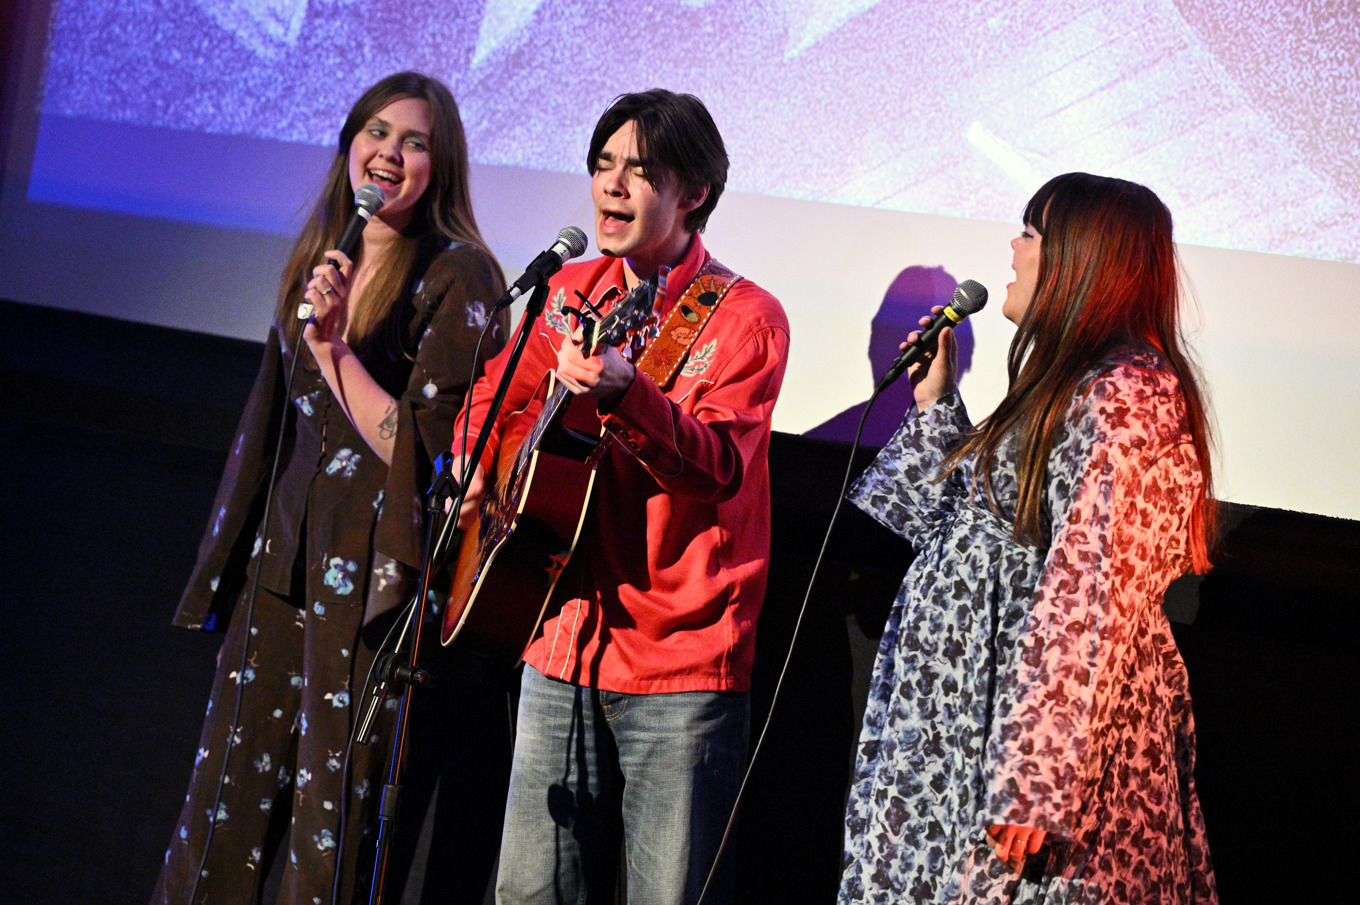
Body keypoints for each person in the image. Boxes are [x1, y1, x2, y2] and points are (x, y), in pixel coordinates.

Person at [153, 72, 511, 905]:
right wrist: (231, 569)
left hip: (374, 596)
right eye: (376, 132)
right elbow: (267, 430)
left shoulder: (462, 278)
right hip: (279, 577)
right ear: (349, 143)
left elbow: (432, 461)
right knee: (216, 829)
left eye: (414, 142)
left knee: (331, 845)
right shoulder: (321, 261)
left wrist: (340, 351)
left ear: (440, 166)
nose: (388, 153)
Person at [449, 89, 789, 905]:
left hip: (681, 657)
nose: (612, 186)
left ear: (694, 192)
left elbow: (714, 468)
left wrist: (630, 392)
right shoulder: (569, 288)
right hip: (559, 627)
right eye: (604, 165)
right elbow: (491, 400)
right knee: (529, 892)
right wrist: (469, 464)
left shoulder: (745, 318)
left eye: (640, 171)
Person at [838, 173, 1218, 903]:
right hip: (969, 728)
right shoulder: (1066, 383)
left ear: (1084, 262)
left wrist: (1039, 780)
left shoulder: (1125, 397)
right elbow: (961, 537)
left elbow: (1091, 594)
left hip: (1029, 751)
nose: (1013, 248)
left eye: (1033, 234)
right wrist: (935, 401)